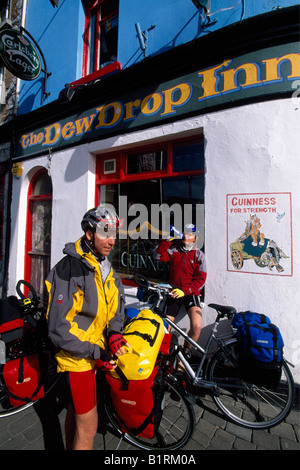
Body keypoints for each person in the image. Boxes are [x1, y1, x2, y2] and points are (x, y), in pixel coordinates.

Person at [45, 205, 129, 450]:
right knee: (89, 425)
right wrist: (96, 352)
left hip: (93, 350)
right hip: (76, 356)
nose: (111, 240)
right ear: (89, 233)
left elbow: (117, 302)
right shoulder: (69, 269)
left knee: (75, 410)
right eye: (105, 232)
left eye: (114, 233)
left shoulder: (104, 266)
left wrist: (114, 333)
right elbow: (59, 329)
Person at [153, 224, 207, 353]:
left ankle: (186, 352)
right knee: (165, 327)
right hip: (174, 292)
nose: (185, 235)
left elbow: (201, 279)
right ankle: (164, 355)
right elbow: (158, 256)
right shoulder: (175, 250)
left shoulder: (199, 255)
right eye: (184, 232)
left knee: (197, 326)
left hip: (190, 293)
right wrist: (167, 240)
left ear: (195, 238)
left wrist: (186, 290)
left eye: (189, 234)